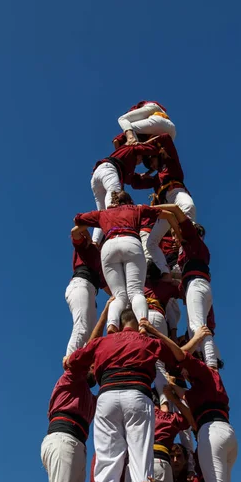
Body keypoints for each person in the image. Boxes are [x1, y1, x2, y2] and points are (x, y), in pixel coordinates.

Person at [64, 307, 178, 482]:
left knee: (107, 462)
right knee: (140, 462)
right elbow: (176, 356)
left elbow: (73, 362)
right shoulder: (146, 340)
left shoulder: (103, 342)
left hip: (107, 398)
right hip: (137, 395)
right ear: (137, 324)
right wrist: (153, 331)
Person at [138, 322, 241, 482]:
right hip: (226, 431)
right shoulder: (206, 386)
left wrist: (155, 333)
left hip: (211, 432)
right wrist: (172, 394)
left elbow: (180, 355)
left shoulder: (204, 371)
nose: (184, 373)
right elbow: (179, 392)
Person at [73, 190, 181, 333]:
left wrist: (89, 230)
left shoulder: (103, 214)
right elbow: (169, 215)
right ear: (129, 201)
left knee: (119, 295)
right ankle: (142, 324)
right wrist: (179, 235)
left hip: (109, 246)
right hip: (131, 242)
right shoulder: (136, 209)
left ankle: (112, 325)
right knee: (136, 292)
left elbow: (77, 221)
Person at [131, 133, 195, 276]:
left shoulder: (172, 164)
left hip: (177, 194)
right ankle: (165, 271)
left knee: (188, 207)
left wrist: (144, 144)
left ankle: (185, 255)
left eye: (152, 161)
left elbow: (165, 137)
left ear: (158, 155)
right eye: (150, 164)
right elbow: (134, 183)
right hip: (166, 204)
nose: (152, 165)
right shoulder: (155, 181)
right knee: (151, 243)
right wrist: (146, 173)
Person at [161, 205, 217, 368]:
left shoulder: (192, 240)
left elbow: (176, 210)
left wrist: (154, 210)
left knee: (197, 326)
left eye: (175, 236)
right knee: (196, 328)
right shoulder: (197, 252)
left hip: (196, 284)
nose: (175, 240)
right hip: (200, 284)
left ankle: (211, 365)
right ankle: (209, 363)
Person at [90, 138, 158, 245]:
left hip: (98, 175)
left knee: (101, 212)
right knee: (115, 199)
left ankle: (95, 242)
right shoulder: (130, 149)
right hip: (109, 170)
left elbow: (135, 182)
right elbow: (150, 149)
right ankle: (115, 229)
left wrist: (150, 175)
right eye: (142, 158)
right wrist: (158, 148)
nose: (139, 163)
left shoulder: (127, 166)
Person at [152, 386, 194, 482]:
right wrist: (174, 398)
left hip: (136, 464)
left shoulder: (141, 413)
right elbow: (190, 420)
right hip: (160, 462)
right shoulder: (169, 418)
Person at [64, 227, 108, 358]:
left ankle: (81, 368)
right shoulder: (86, 246)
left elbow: (108, 288)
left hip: (88, 289)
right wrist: (88, 237)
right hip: (81, 285)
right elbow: (75, 230)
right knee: (82, 327)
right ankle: (70, 363)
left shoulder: (101, 261)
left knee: (91, 337)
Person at [145, 262, 181, 408]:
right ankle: (164, 401)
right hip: (159, 316)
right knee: (159, 363)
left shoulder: (141, 283)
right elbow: (181, 288)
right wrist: (171, 277)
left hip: (143, 316)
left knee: (143, 356)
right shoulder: (165, 286)